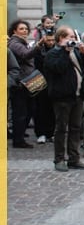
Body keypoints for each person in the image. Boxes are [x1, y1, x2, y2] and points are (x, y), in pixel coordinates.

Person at [43, 26, 84, 171]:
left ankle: (74, 158)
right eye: (68, 37)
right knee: (61, 129)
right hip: (62, 97)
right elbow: (58, 68)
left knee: (76, 128)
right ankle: (59, 159)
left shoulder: (76, 52)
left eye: (73, 37)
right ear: (60, 39)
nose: (72, 39)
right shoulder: (53, 53)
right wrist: (65, 51)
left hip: (77, 96)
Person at [8, 19, 45, 148]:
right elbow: (26, 55)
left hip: (27, 81)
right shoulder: (15, 43)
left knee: (29, 109)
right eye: (21, 29)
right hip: (21, 83)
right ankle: (18, 139)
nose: (24, 31)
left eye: (26, 29)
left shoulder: (22, 42)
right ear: (14, 31)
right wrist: (38, 45)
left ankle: (20, 135)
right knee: (21, 112)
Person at [33, 32, 57, 143]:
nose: (51, 42)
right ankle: (40, 133)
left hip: (53, 83)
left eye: (53, 40)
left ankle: (50, 132)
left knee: (52, 109)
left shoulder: (56, 51)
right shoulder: (39, 51)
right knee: (40, 109)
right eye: (49, 40)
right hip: (41, 82)